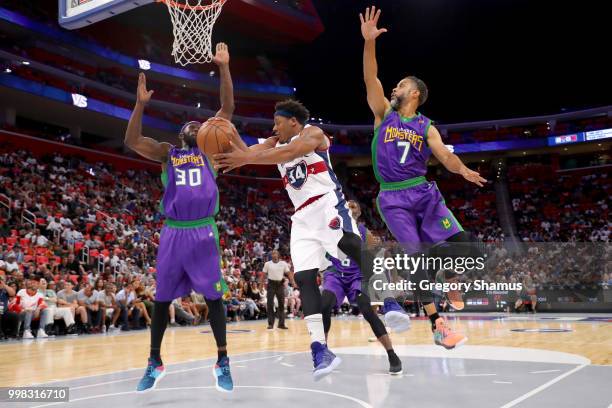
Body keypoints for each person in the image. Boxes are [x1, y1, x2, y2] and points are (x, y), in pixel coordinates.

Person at [214, 99, 408, 380]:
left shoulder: (313, 134)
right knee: (304, 278)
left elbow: (292, 151)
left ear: (293, 121)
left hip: (327, 202)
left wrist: (245, 157)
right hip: (302, 217)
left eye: (277, 122)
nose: (273, 126)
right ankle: (320, 348)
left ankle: (389, 301)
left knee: (352, 246)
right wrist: (226, 141)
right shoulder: (273, 142)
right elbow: (247, 152)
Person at [359, 6, 487, 348]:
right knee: (415, 258)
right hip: (393, 197)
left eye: (400, 84)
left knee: (469, 246)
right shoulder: (383, 115)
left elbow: (444, 155)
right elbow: (371, 79)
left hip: (424, 193)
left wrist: (463, 170)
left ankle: (450, 275)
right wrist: (369, 43)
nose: (394, 87)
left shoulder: (425, 125)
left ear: (414, 93)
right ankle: (438, 325)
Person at [125, 42, 235, 393]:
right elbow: (132, 140)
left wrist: (224, 68)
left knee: (214, 298)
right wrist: (139, 106)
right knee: (160, 300)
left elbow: (228, 108)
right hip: (173, 232)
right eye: (190, 125)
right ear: (180, 135)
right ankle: (154, 361)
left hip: (202, 232)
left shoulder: (210, 152)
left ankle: (223, 361)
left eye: (199, 124)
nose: (195, 126)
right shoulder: (166, 154)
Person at [321, 200, 402, 374]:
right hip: (335, 273)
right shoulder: (331, 228)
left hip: (358, 275)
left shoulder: (365, 233)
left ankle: (391, 354)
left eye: (354, 206)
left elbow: (379, 255)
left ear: (358, 213)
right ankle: (323, 352)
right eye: (347, 206)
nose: (350, 208)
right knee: (324, 305)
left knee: (367, 310)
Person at [262, 250, 290, 329]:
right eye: (272, 253)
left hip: (280, 285)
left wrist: (293, 281)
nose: (274, 255)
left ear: (278, 255)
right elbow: (263, 275)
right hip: (271, 284)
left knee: (281, 304)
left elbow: (288, 273)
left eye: (275, 253)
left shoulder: (283, 264)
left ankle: (281, 324)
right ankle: (271, 324)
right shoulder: (267, 264)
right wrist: (261, 286)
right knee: (270, 304)